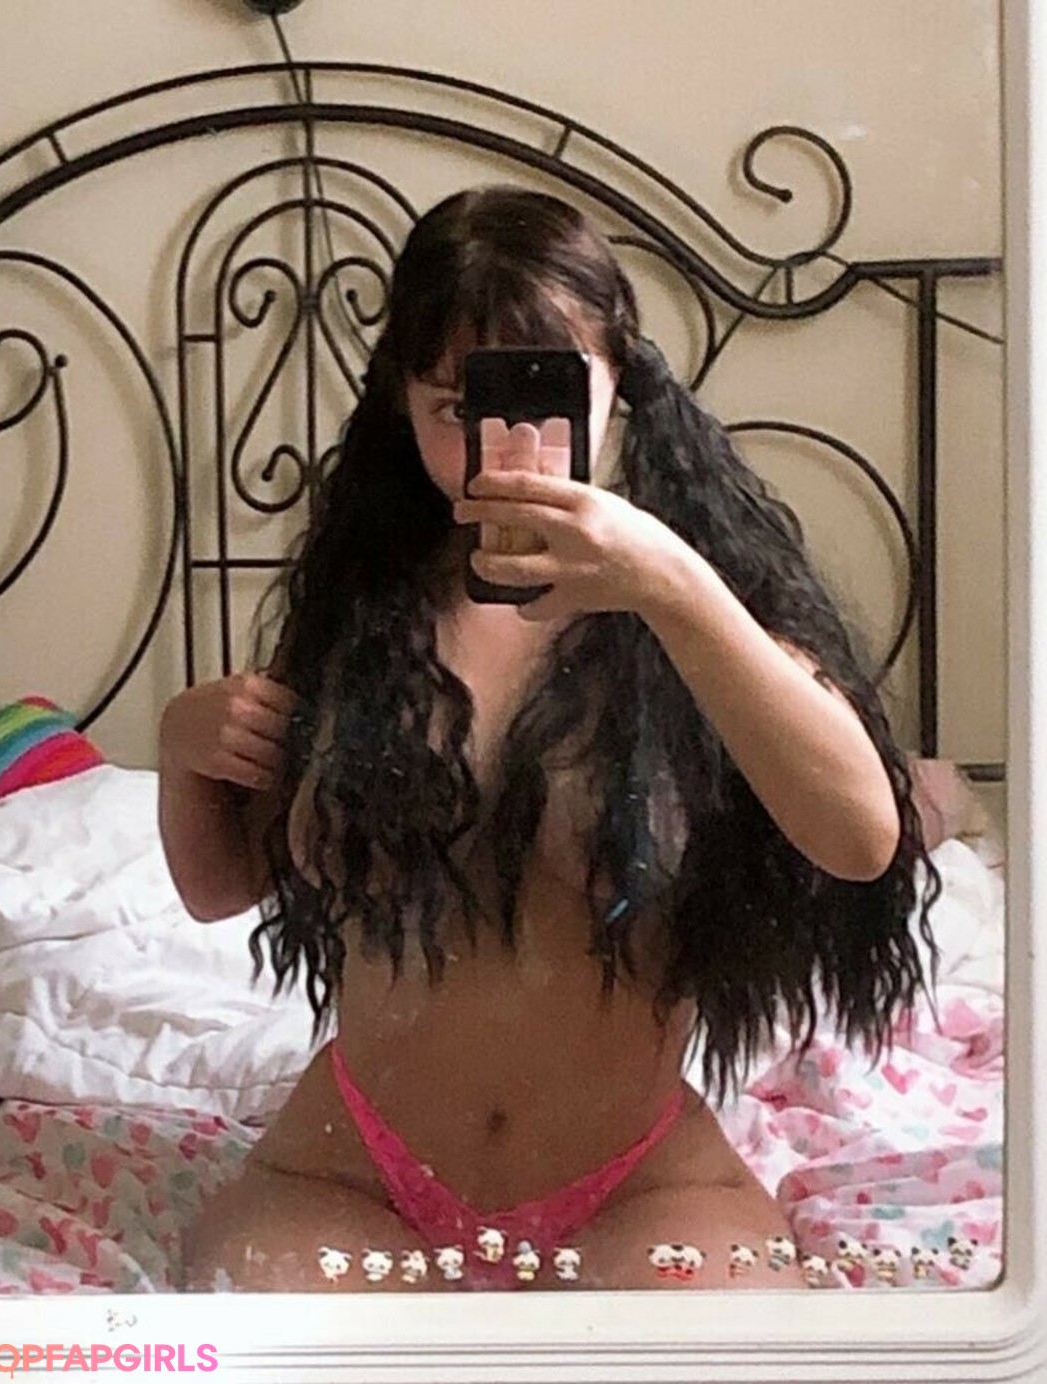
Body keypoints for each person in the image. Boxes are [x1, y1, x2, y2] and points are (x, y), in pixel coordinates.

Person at [161, 186, 937, 1293]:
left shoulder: (704, 606)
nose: (506, 447)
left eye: (548, 394)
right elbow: (219, 889)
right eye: (455, 405)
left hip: (634, 1183)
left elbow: (860, 840)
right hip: (353, 1169)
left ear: (622, 381)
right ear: (400, 404)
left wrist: (672, 587)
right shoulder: (365, 612)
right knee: (279, 1343)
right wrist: (183, 752)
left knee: (723, 1353)